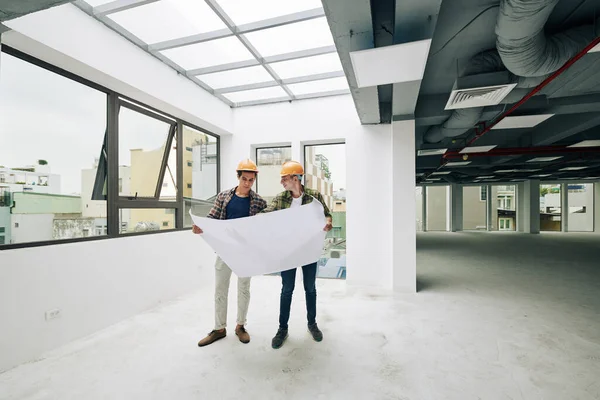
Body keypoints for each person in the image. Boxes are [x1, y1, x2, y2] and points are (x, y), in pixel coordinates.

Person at [192, 159, 267, 347]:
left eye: (251, 180)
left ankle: (240, 326)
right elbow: (213, 217)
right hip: (225, 250)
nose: (247, 183)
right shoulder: (224, 196)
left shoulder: (258, 201)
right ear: (238, 177)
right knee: (220, 289)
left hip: (245, 253)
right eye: (244, 179)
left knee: (243, 290)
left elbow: (267, 224)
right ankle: (219, 329)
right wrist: (201, 226)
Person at [262, 160, 333, 349]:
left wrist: (327, 221)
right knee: (287, 290)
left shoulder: (314, 196)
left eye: (284, 178)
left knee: (310, 288)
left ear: (295, 178)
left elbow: (327, 214)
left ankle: (312, 324)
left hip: (309, 251)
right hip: (288, 252)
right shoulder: (281, 199)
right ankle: (282, 329)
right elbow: (266, 214)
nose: (282, 182)